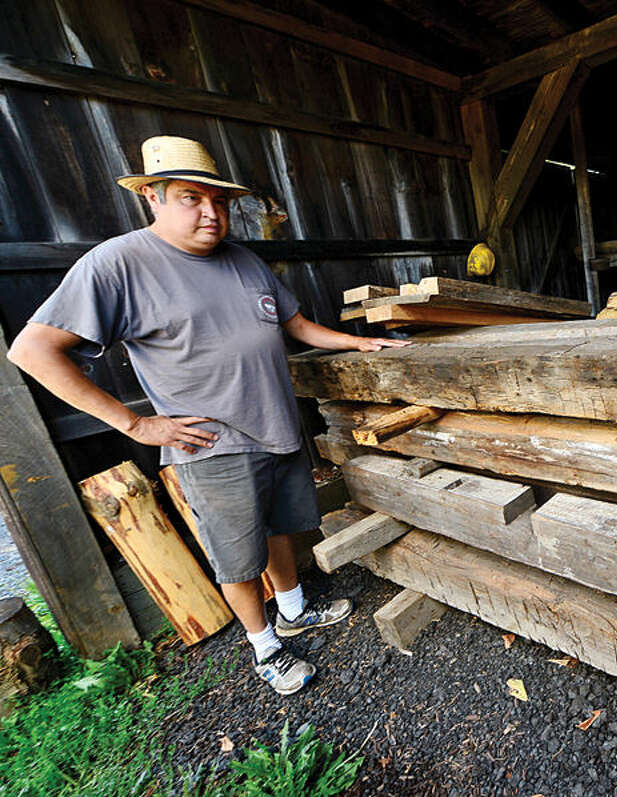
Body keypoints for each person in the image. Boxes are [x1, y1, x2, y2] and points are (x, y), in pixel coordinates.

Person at [7, 135, 408, 695]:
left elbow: (294, 324)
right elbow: (32, 351)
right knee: (237, 556)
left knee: (280, 527)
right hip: (212, 445)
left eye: (219, 201)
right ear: (152, 196)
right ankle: (265, 648)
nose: (210, 213)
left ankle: (293, 608)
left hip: (276, 426)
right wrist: (135, 424)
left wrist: (356, 342)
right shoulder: (118, 264)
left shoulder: (243, 259)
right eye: (190, 198)